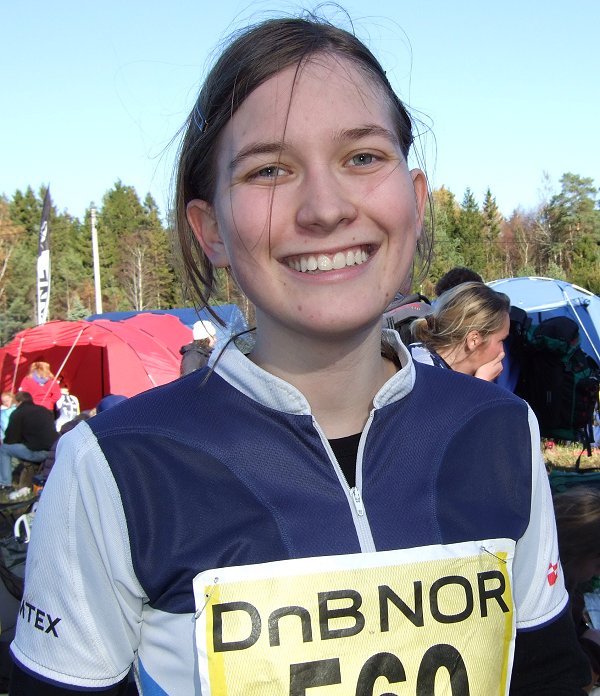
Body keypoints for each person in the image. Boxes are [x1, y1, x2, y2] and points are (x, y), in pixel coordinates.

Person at [10, 14, 589, 695]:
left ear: (414, 199)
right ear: (210, 230)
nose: (324, 208)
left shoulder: (499, 431)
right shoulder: (112, 469)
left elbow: (547, 675)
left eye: (363, 157)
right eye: (270, 170)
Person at [409, 281, 511, 381]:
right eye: (501, 340)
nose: (502, 352)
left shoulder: (420, 358)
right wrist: (481, 384)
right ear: (474, 340)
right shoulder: (421, 372)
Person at [554, 487, 600, 690]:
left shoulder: (568, 587)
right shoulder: (554, 602)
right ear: (575, 552)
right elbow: (566, 683)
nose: (597, 573)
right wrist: (593, 650)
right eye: (598, 564)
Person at [0, 392, 58, 487]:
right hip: (53, 451)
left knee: (4, 449)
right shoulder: (45, 410)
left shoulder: (18, 413)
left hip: (36, 452)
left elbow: (10, 439)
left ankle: (5, 484)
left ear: (18, 402)